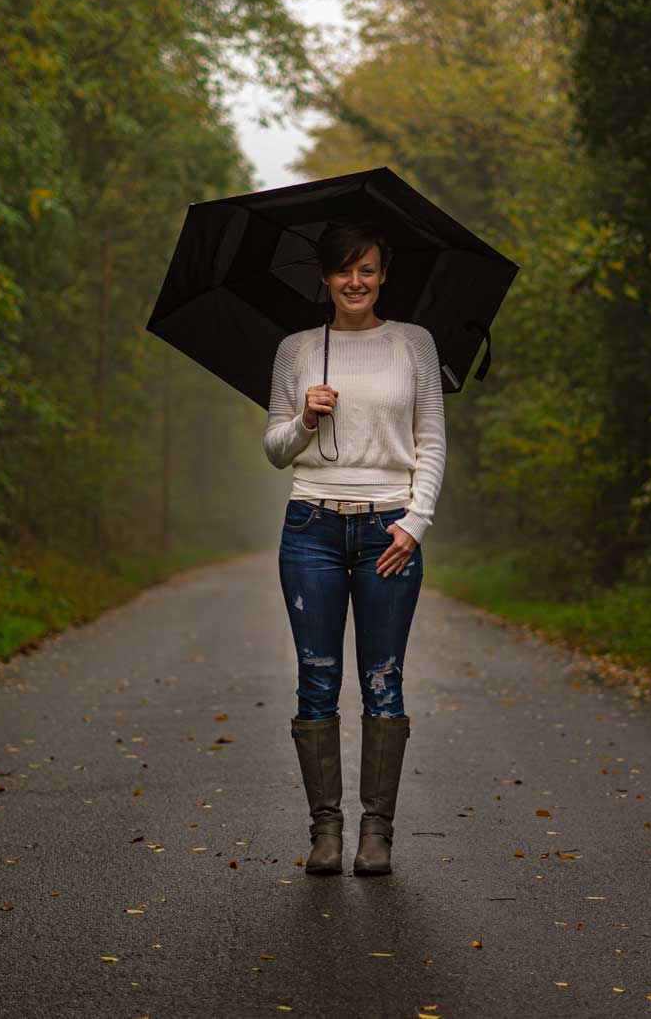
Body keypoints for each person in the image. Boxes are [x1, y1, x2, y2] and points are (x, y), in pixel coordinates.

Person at [261, 218, 447, 877]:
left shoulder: (414, 344)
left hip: (388, 532)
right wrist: (305, 418)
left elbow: (431, 442)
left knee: (382, 679)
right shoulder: (297, 350)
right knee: (317, 679)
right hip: (311, 527)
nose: (355, 280)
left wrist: (414, 521)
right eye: (343, 269)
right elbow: (276, 449)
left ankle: (377, 832)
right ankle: (326, 831)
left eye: (367, 268)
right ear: (325, 277)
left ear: (384, 274)